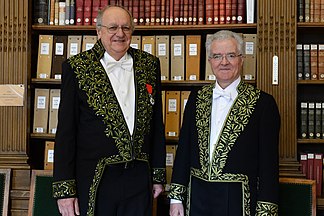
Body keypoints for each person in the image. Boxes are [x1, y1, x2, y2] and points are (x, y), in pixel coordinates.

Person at [52, 5, 166, 216]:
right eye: (112, 27)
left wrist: (158, 175)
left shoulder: (150, 65)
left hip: (139, 176)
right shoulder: (77, 67)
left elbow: (156, 124)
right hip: (95, 178)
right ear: (99, 31)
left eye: (126, 27)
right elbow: (66, 132)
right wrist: (65, 190)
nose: (120, 34)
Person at [168, 30, 280, 216]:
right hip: (197, 197)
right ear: (210, 61)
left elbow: (269, 165)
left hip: (239, 200)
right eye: (217, 56)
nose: (224, 62)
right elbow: (184, 150)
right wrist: (176, 198)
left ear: (241, 59)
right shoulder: (197, 98)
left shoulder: (263, 104)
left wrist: (266, 211)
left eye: (231, 55)